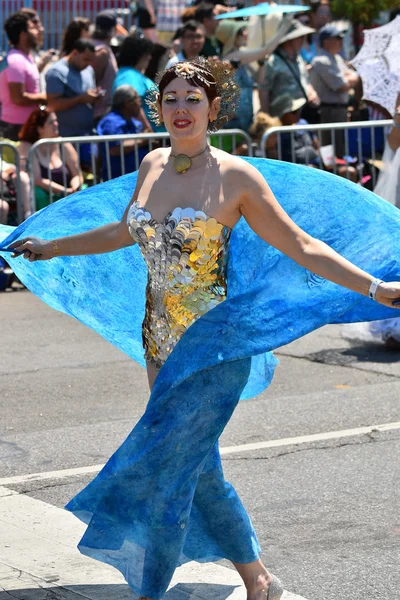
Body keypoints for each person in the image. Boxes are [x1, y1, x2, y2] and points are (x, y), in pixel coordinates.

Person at [4, 58, 400, 600]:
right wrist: (53, 247)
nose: (181, 109)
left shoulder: (238, 177)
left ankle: (152, 579)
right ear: (158, 106)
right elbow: (125, 230)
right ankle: (257, 576)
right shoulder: (152, 164)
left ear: (214, 109)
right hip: (159, 339)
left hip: (214, 344)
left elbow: (302, 246)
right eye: (171, 99)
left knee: (165, 457)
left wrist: (375, 289)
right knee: (195, 461)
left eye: (193, 99)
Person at [216, 17, 293, 133]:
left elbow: (259, 80)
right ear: (232, 36)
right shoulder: (233, 57)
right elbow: (266, 50)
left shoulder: (241, 60)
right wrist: (284, 27)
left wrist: (261, 62)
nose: (246, 33)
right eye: (241, 32)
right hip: (233, 124)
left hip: (245, 121)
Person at [18, 106, 83, 211]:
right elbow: (37, 179)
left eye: (56, 121)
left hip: (68, 193)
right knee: (39, 193)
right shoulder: (28, 147)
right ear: (40, 129)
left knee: (84, 190)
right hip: (48, 195)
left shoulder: (64, 144)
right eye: (51, 123)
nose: (56, 124)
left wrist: (74, 188)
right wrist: (63, 191)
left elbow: (77, 175)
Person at [310, 24, 359, 157]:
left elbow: (353, 76)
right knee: (330, 152)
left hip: (340, 110)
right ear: (326, 41)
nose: (341, 41)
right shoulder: (321, 61)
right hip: (328, 111)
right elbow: (341, 85)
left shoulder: (336, 58)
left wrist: (350, 77)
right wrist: (349, 77)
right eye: (337, 38)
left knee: (340, 148)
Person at [259, 19, 320, 123]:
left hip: (302, 114)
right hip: (282, 117)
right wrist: (267, 119)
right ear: (290, 39)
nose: (303, 40)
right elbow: (264, 90)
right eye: (300, 37)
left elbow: (306, 80)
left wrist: (312, 92)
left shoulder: (299, 59)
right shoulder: (272, 61)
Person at [0, 12, 47, 141]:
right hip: (16, 128)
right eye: (32, 28)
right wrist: (45, 97)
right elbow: (18, 98)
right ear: (23, 34)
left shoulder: (26, 58)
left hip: (25, 125)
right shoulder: (16, 61)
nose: (37, 32)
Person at [46, 39, 99, 138]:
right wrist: (79, 99)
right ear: (75, 53)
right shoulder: (56, 72)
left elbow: (88, 94)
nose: (88, 64)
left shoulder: (88, 70)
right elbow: (52, 105)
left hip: (87, 134)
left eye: (91, 60)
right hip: (66, 137)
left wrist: (95, 96)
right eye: (86, 59)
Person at [97, 85, 149, 180]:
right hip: (117, 181)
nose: (140, 104)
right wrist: (144, 139)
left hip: (136, 179)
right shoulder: (111, 122)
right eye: (137, 99)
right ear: (127, 103)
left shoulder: (135, 123)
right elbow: (115, 148)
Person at [113, 34, 157, 131]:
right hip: (146, 140)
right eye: (147, 53)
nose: (150, 57)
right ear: (138, 55)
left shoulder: (133, 74)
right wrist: (148, 131)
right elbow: (132, 103)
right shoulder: (129, 76)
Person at [91, 10, 119, 124]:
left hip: (102, 112)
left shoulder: (102, 47)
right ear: (113, 29)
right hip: (98, 114)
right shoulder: (101, 51)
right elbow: (92, 82)